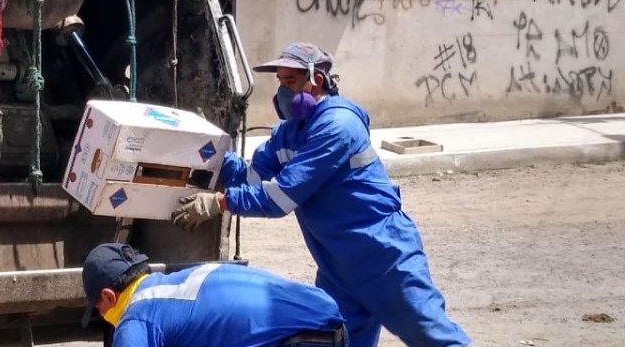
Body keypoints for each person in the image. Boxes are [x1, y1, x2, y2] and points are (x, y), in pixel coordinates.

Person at [170, 42, 469, 347]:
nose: (282, 93)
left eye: (290, 82)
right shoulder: (289, 132)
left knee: (433, 337)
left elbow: (280, 198)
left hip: (382, 258)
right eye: (280, 83)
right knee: (338, 341)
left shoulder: (338, 125)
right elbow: (251, 177)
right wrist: (210, 151)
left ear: (318, 80)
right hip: (337, 268)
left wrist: (220, 202)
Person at [80, 242, 348, 347]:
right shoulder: (182, 281)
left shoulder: (136, 319)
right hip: (333, 324)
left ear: (109, 296)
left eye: (97, 307)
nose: (101, 314)